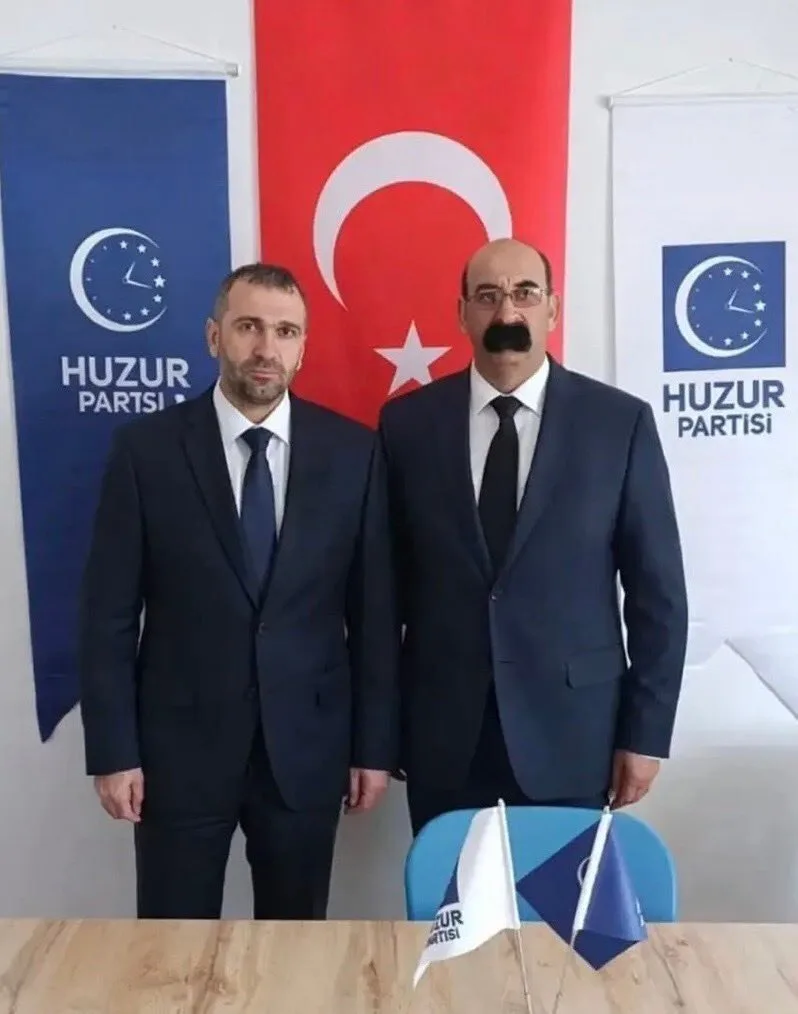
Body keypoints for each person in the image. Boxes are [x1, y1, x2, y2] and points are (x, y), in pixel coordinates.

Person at [78, 262, 398, 919]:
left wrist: (373, 748)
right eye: (249, 326)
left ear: (303, 347)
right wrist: (113, 751)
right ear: (213, 336)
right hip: (177, 756)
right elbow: (107, 616)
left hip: (305, 753)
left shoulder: (354, 454)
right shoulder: (146, 452)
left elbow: (372, 617)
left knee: (294, 947)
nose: (266, 348)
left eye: (285, 331)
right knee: (170, 949)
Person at [378, 238, 688, 836]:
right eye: (487, 296)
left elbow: (659, 596)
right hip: (444, 740)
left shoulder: (619, 424)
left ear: (553, 308)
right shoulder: (407, 425)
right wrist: (379, 730)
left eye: (525, 293)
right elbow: (383, 593)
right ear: (462, 313)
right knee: (454, 899)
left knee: (561, 902)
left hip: (575, 737)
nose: (507, 312)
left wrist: (646, 734)